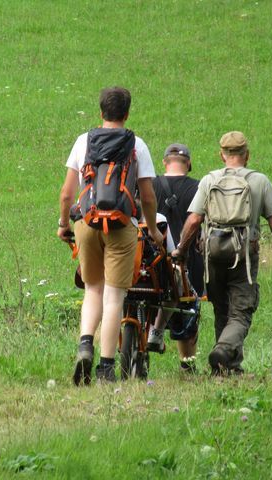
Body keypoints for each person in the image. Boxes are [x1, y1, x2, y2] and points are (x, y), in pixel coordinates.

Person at [57, 87, 163, 385]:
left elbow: (67, 194)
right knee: (114, 295)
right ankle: (105, 368)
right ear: (127, 114)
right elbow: (149, 196)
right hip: (121, 225)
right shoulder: (137, 144)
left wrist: (64, 224)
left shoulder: (83, 141)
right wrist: (152, 229)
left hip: (87, 222)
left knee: (93, 288)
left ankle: (84, 345)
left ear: (100, 111)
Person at [173, 131, 272, 375]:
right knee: (241, 311)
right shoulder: (259, 181)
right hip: (244, 253)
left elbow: (194, 220)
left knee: (221, 308)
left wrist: (181, 249)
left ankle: (226, 366)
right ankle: (224, 351)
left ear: (222, 154)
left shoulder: (209, 180)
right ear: (247, 155)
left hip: (212, 252)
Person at [147, 144, 203, 372]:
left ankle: (140, 350)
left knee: (145, 305)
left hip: (151, 259)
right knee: (187, 312)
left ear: (164, 162)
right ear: (188, 163)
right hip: (186, 259)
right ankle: (187, 365)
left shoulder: (150, 184)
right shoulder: (198, 187)